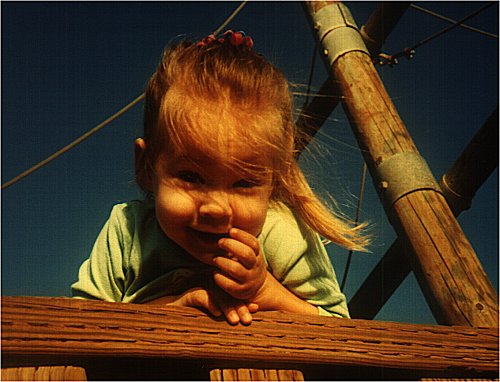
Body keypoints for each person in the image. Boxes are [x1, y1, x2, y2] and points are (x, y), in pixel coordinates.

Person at [72, 30, 369, 325]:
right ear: (147, 167)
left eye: (243, 183)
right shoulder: (128, 230)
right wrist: (173, 311)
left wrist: (267, 290)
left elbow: (338, 326)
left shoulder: (284, 234)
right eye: (191, 177)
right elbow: (78, 324)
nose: (215, 208)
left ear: (275, 179)